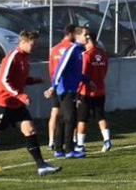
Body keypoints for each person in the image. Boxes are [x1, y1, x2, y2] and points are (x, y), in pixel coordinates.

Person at [0, 30, 61, 179]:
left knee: (30, 130)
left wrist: (33, 80)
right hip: (2, 102)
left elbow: (19, 79)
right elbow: (4, 81)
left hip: (16, 104)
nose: (35, 47)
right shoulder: (12, 56)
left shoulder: (25, 59)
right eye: (32, 44)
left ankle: (41, 166)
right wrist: (20, 95)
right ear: (24, 42)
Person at [47, 26, 87, 159]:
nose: (87, 37)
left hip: (69, 89)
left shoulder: (79, 51)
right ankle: (69, 150)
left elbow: (75, 72)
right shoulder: (72, 50)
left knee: (64, 119)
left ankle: (59, 149)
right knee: (71, 118)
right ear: (77, 36)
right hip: (65, 90)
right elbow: (60, 68)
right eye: (85, 35)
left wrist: (87, 80)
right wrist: (53, 86)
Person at [75, 31, 111, 153]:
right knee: (100, 116)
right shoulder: (103, 54)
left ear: (89, 40)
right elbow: (105, 71)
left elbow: (83, 74)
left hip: (86, 92)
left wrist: (78, 88)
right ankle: (107, 140)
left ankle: (80, 144)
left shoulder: (86, 55)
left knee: (82, 118)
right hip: (100, 90)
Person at [46, 25, 76, 151]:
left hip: (55, 85)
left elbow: (51, 68)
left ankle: (51, 141)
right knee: (70, 115)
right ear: (71, 34)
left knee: (55, 113)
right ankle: (72, 142)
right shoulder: (72, 48)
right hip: (67, 87)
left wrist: (53, 85)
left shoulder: (54, 49)